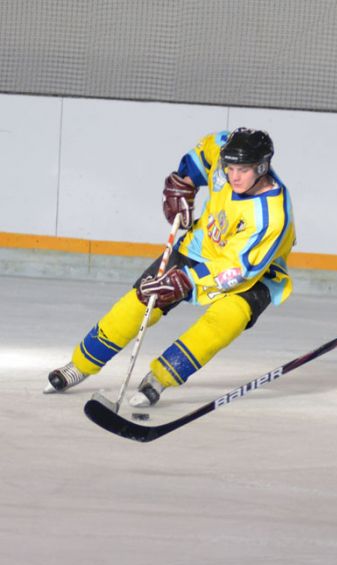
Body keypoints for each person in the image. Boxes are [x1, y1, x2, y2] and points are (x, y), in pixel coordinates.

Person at [45, 128, 296, 408]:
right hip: (200, 247)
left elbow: (237, 269)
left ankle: (159, 379)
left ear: (261, 167)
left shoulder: (271, 217)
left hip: (254, 276)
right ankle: (80, 364)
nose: (233, 176)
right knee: (142, 300)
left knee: (223, 323)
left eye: (243, 170)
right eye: (230, 168)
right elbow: (204, 154)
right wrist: (185, 182)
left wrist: (187, 279)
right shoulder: (225, 150)